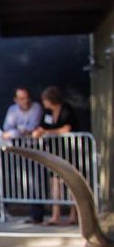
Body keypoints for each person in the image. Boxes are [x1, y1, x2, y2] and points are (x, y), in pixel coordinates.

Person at [31, 85, 79, 225]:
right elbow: (43, 126)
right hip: (54, 151)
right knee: (55, 183)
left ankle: (74, 215)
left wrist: (48, 132)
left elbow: (67, 128)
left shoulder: (66, 109)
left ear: (51, 99)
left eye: (45, 99)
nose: (43, 102)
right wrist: (39, 131)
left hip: (69, 151)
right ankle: (55, 215)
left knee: (71, 182)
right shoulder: (47, 112)